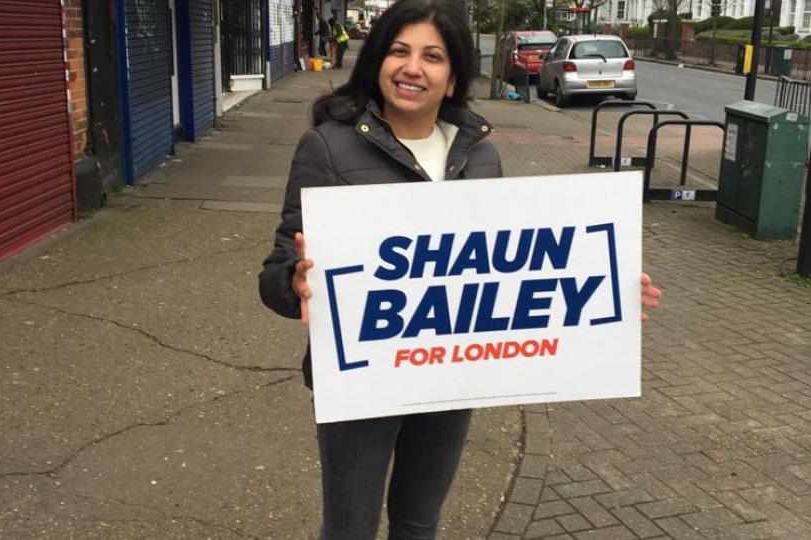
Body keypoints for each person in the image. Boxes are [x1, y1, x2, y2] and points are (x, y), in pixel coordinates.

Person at [259, 1, 662, 538]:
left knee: (420, 522)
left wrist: (605, 287)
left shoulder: (481, 155)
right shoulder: (327, 146)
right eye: (399, 51)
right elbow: (277, 269)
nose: (413, 67)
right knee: (350, 528)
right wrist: (295, 283)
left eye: (433, 56)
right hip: (362, 381)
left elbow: (511, 267)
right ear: (377, 61)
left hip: (451, 378)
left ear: (452, 78)